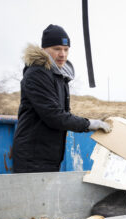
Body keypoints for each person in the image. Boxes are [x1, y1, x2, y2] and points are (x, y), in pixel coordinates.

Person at [12, 24, 111, 173]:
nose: (62, 54)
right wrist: (89, 124)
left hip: (48, 156)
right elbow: (54, 116)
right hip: (32, 158)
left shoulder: (59, 76)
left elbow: (64, 113)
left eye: (66, 49)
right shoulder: (36, 74)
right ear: (44, 49)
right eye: (57, 49)